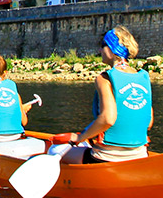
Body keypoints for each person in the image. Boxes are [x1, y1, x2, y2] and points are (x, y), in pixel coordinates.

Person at [58, 26, 152, 164]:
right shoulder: (143, 77)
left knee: (55, 150)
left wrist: (80, 138)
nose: (100, 50)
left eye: (103, 46)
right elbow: (148, 122)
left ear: (112, 49)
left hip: (107, 157)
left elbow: (108, 118)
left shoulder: (104, 78)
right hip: (140, 155)